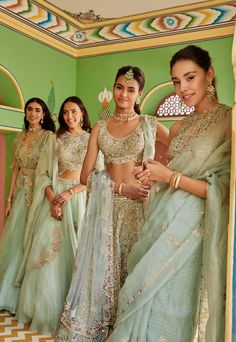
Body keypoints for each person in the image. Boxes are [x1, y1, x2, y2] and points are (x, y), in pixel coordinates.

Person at [110, 45, 232, 342]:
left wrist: (171, 176)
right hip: (161, 223)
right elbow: (171, 177)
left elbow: (225, 190)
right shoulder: (178, 127)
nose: (183, 88)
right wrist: (154, 176)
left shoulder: (229, 122)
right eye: (177, 82)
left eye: (190, 78)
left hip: (194, 235)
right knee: (142, 295)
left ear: (210, 74)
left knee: (174, 307)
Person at [56, 66, 169, 341]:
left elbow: (183, 148)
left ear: (139, 93)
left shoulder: (149, 124)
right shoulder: (99, 127)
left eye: (131, 89)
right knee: (106, 273)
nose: (124, 94)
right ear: (113, 88)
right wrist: (121, 187)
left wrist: (159, 173)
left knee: (135, 271)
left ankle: (131, 331)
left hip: (141, 209)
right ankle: (108, 329)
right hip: (107, 211)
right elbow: (86, 176)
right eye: (119, 87)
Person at [15, 96, 102, 335]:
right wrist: (54, 198)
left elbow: (98, 174)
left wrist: (70, 194)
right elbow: (42, 173)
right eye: (65, 113)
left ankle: (73, 312)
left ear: (82, 113)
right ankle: (46, 312)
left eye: (74, 112)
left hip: (80, 200)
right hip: (54, 200)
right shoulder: (55, 140)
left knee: (77, 254)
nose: (69, 117)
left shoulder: (91, 139)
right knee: (46, 253)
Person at [0, 97, 56, 314]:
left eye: (37, 110)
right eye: (29, 109)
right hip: (20, 192)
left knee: (30, 239)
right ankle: (6, 293)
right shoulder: (20, 137)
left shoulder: (48, 137)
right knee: (14, 240)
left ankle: (23, 298)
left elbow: (49, 168)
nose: (33, 113)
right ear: (25, 113)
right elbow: (15, 168)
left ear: (44, 115)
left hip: (39, 190)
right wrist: (9, 198)